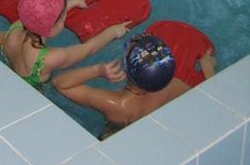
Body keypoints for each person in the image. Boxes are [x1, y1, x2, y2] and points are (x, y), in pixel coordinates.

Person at [53, 32, 217, 139]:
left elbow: (61, 84)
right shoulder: (172, 86)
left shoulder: (116, 104)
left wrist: (98, 70)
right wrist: (208, 68)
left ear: (127, 68)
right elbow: (205, 101)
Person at [1, 0, 130, 90]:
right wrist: (113, 32)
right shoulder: (49, 59)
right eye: (62, 19)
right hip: (32, 94)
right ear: (51, 28)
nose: (64, 20)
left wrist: (74, 3)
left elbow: (38, 13)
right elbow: (89, 49)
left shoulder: (15, 28)